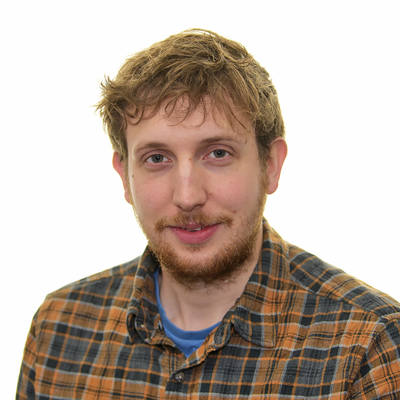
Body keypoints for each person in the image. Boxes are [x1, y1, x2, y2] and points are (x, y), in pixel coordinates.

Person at [17, 29, 400, 399]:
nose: (187, 197)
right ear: (124, 177)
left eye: (217, 153)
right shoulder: (57, 330)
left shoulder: (370, 344)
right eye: (157, 158)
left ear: (270, 165)